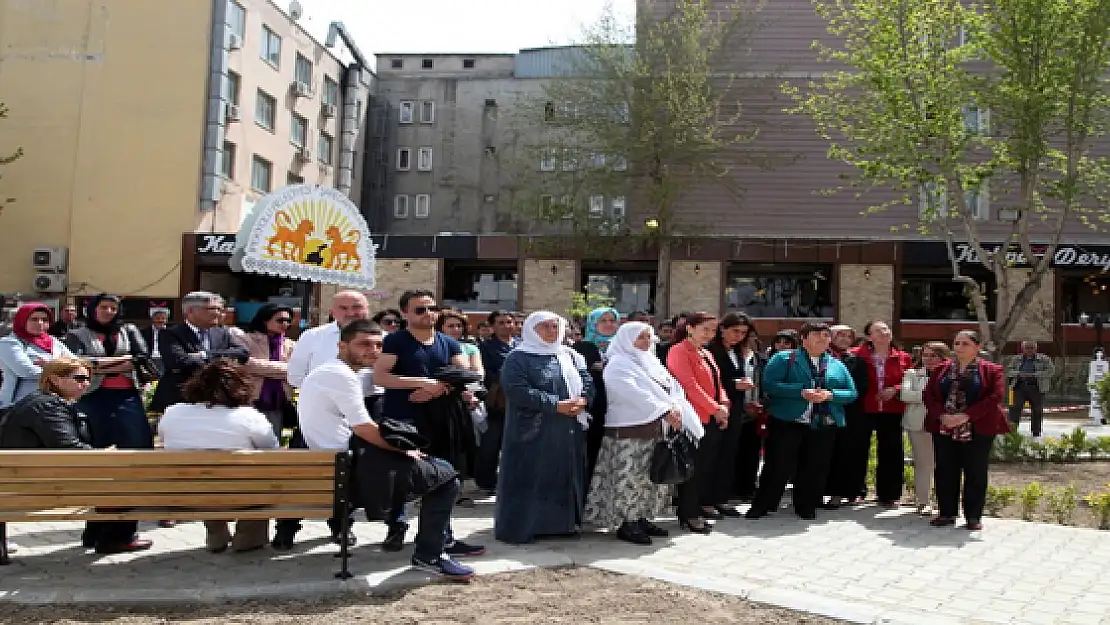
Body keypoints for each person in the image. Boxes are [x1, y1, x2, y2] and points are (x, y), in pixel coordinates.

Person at [297, 319, 476, 581]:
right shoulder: (339, 375)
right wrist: (404, 452)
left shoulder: (335, 372)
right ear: (342, 345)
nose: (372, 350)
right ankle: (431, 555)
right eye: (364, 344)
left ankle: (433, 549)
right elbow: (364, 429)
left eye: (378, 345)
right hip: (349, 469)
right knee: (446, 478)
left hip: (338, 463)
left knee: (442, 470)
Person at [372, 289, 485, 557]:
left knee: (443, 478)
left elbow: (462, 375)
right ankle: (395, 529)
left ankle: (442, 537)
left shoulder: (449, 342)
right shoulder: (395, 341)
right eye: (420, 309)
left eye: (431, 308)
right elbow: (381, 377)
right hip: (405, 421)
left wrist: (439, 389)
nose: (428, 314)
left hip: (443, 418)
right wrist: (420, 382)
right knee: (403, 478)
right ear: (405, 313)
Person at [0, 357, 153, 555]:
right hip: (37, 485)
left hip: (20, 479)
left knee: (105, 477)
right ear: (54, 380)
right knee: (125, 478)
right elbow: (70, 450)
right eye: (79, 378)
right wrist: (104, 455)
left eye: (88, 379)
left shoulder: (39, 401)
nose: (86, 384)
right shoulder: (50, 407)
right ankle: (116, 538)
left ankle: (95, 534)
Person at [585, 321, 696, 545]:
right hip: (629, 429)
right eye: (641, 337)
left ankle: (643, 516)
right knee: (629, 478)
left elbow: (672, 387)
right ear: (627, 339)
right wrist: (665, 409)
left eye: (649, 337)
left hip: (656, 429)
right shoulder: (618, 364)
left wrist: (674, 406)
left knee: (650, 476)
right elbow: (631, 392)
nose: (647, 342)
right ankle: (627, 522)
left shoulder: (651, 362)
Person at [158, 361, 279, 552]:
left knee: (203, 477)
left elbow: (165, 442)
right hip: (242, 497)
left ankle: (216, 534)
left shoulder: (173, 412)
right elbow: (272, 451)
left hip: (185, 497)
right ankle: (249, 538)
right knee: (259, 478)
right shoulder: (249, 416)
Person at [495, 311, 594, 544]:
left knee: (564, 473)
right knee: (532, 474)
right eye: (545, 326)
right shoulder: (518, 358)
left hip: (568, 427)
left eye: (555, 326)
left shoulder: (570, 355)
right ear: (531, 330)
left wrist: (584, 400)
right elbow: (517, 390)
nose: (552, 331)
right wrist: (555, 405)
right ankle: (525, 527)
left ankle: (563, 524)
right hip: (533, 429)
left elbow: (586, 380)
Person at [747, 322, 858, 521]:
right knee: (778, 465)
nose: (823, 339)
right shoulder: (784, 358)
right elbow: (769, 385)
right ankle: (764, 504)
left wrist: (829, 395)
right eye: (817, 335)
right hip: (788, 420)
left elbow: (851, 393)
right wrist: (800, 392)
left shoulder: (836, 364)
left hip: (823, 422)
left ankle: (806, 506)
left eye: (826, 335)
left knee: (815, 466)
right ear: (804, 339)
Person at [924, 330, 1011, 531]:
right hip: (944, 427)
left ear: (977, 347)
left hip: (978, 428)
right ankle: (946, 513)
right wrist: (943, 415)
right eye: (957, 343)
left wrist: (965, 416)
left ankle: (973, 516)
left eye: (965, 344)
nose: (960, 348)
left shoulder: (992, 370)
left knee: (975, 472)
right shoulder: (941, 370)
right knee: (945, 469)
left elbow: (995, 397)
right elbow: (930, 395)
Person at [64, 294, 153, 450]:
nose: (109, 311)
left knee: (135, 438)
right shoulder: (76, 335)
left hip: (126, 394)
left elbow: (140, 358)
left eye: (113, 308)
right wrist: (122, 362)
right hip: (90, 393)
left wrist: (98, 366)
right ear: (92, 309)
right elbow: (77, 362)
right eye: (104, 307)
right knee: (95, 437)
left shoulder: (129, 330)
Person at [666, 311, 729, 533]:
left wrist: (724, 405)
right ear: (690, 328)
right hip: (693, 418)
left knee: (705, 466)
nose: (709, 334)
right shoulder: (678, 351)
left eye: (713, 330)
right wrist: (715, 408)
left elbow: (717, 383)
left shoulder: (707, 353)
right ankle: (688, 514)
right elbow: (689, 386)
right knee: (691, 468)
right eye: (705, 329)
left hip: (710, 417)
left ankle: (699, 506)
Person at [148, 292, 249, 412]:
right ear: (191, 311)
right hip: (180, 399)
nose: (217, 312)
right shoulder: (171, 334)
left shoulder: (222, 333)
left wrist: (205, 355)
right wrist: (222, 359)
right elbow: (178, 362)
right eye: (212, 308)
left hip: (216, 399)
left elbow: (242, 354)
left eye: (220, 309)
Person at [851, 320, 913, 507]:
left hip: (892, 409)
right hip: (863, 408)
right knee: (857, 450)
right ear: (870, 337)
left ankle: (889, 495)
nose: (885, 333)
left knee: (891, 451)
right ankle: (855, 491)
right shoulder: (855, 355)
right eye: (878, 330)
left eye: (886, 329)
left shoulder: (903, 357)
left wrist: (895, 389)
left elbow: (911, 380)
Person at [707, 312, 758, 516]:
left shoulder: (737, 352)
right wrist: (734, 384)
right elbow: (709, 381)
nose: (738, 336)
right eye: (735, 331)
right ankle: (706, 500)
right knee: (712, 456)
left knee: (728, 455)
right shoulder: (711, 350)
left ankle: (721, 498)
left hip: (735, 409)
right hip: (713, 409)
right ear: (722, 329)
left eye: (743, 332)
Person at [825, 324, 871, 508]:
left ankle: (847, 492)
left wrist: (838, 396)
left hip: (850, 413)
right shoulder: (821, 357)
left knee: (848, 453)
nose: (844, 339)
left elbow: (861, 386)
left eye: (848, 336)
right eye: (840, 335)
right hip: (822, 411)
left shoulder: (856, 360)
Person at [900, 341, 949, 514]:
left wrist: (924, 396)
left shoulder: (951, 374)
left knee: (945, 463)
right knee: (923, 463)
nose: (928, 359)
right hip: (918, 424)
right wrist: (931, 395)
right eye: (925, 355)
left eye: (933, 355)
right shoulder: (912, 374)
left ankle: (946, 502)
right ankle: (923, 501)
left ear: (943, 357)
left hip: (944, 423)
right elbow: (905, 394)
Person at [573, 307, 620, 483]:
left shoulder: (622, 345)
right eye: (603, 321)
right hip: (596, 408)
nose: (608, 324)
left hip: (620, 408)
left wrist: (605, 367)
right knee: (593, 453)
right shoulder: (583, 346)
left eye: (612, 320)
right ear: (593, 323)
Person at [0, 303, 75, 409]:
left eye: (45, 320)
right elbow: (26, 371)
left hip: (56, 403)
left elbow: (76, 365)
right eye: (34, 319)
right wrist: (60, 368)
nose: (40, 323)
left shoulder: (53, 341)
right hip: (22, 405)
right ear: (22, 320)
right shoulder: (9, 343)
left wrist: (49, 365)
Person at [475, 309, 519, 493]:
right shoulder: (485, 347)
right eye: (501, 322)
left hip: (519, 401)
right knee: (491, 443)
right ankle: (487, 482)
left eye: (509, 322)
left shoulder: (521, 345)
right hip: (496, 402)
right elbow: (485, 373)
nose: (506, 326)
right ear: (492, 326)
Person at [240, 304, 296, 438]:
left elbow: (297, 370)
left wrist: (263, 368)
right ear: (265, 320)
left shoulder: (291, 344)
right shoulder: (245, 339)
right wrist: (284, 369)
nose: (285, 324)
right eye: (280, 320)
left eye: (288, 321)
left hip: (278, 402)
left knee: (272, 441)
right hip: (250, 398)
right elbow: (246, 364)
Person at [1005, 340, 1054, 441]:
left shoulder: (1044, 359)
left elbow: (1051, 371)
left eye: (1032, 348)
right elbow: (1008, 370)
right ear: (1023, 349)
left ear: (1036, 349)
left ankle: (1036, 433)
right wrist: (1018, 373)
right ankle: (1012, 432)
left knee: (1037, 410)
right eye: (1027, 348)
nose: (1029, 350)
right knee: (1015, 409)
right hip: (1020, 387)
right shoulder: (1016, 359)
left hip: (1036, 387)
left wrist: (1035, 375)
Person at [140, 307, 171, 376]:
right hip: (149, 360)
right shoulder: (143, 332)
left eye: (163, 318)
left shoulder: (172, 333)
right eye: (157, 318)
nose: (160, 320)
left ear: (166, 320)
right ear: (152, 319)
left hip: (165, 361)